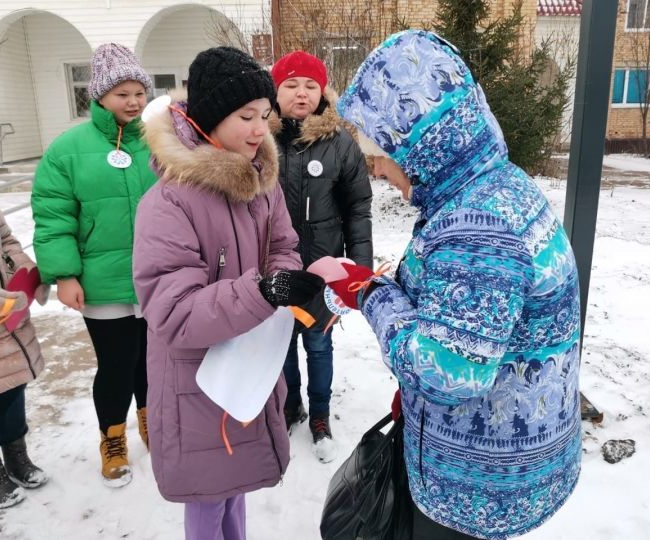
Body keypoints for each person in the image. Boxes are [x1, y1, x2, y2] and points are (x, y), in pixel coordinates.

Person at [337, 30, 582, 539]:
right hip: (510, 463)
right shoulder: (493, 184)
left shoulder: (476, 226)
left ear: (422, 145)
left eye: (382, 153)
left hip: (475, 487)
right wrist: (404, 284)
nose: (379, 171)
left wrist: (373, 295)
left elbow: (447, 375)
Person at [132, 47, 324, 540]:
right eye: (246, 117)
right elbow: (173, 312)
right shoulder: (169, 201)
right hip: (196, 381)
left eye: (265, 115)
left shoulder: (263, 181)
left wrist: (284, 284)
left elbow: (283, 244)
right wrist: (262, 292)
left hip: (248, 364)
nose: (261, 129)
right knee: (207, 494)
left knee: (233, 483)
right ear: (211, 119)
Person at [31, 43, 156, 487]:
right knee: (117, 365)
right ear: (99, 95)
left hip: (155, 281)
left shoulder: (159, 143)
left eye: (139, 91)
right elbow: (53, 216)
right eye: (123, 92)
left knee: (152, 364)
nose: (134, 101)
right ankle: (113, 438)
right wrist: (64, 274)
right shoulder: (67, 149)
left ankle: (151, 425)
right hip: (101, 284)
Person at [270, 51, 373, 462]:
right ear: (276, 91)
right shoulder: (260, 139)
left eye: (310, 86)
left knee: (318, 344)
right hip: (275, 268)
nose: (301, 93)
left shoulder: (340, 142)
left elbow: (358, 207)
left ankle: (321, 414)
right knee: (280, 345)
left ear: (322, 92)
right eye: (292, 85)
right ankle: (290, 402)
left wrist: (358, 268)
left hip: (324, 269)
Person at [0, 171, 49, 508]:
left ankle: (16, 455)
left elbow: (5, 238)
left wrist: (26, 273)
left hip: (7, 308)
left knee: (13, 384)